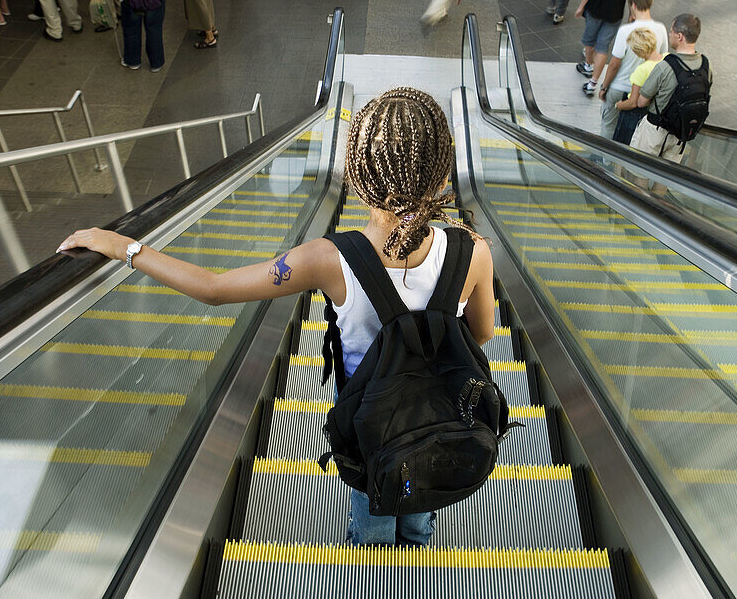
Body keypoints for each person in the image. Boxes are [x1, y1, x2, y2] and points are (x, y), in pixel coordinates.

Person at [57, 87, 495, 547]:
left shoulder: (328, 259)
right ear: (442, 173)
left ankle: (374, 543)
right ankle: (418, 532)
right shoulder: (473, 251)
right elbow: (481, 334)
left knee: (374, 485)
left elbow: (213, 288)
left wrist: (124, 247)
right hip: (443, 411)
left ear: (357, 175)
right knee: (423, 474)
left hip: (370, 418)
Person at [631, 13, 712, 163]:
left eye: (671, 31)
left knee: (639, 173)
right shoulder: (706, 65)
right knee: (664, 179)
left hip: (655, 131)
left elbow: (642, 102)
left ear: (680, 36)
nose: (669, 34)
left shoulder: (665, 65)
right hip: (680, 133)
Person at [596, 0, 666, 140]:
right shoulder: (660, 29)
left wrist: (604, 87)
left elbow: (614, 64)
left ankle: (605, 158)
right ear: (650, 3)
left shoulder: (625, 31)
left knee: (608, 125)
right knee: (632, 129)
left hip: (619, 88)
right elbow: (661, 59)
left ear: (633, 5)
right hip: (644, 92)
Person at [612, 27, 662, 144]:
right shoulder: (666, 58)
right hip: (653, 110)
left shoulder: (642, 70)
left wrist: (618, 105)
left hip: (635, 113)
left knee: (623, 143)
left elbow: (633, 102)